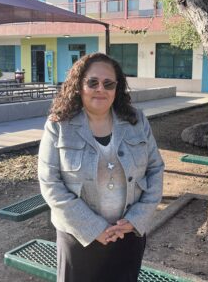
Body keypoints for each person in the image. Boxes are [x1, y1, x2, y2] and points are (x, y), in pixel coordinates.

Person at [38, 52, 164, 282]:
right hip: (78, 237)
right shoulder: (58, 126)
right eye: (92, 82)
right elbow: (50, 183)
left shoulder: (137, 121)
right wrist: (93, 227)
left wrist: (135, 220)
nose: (100, 89)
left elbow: (155, 169)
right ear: (79, 85)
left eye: (108, 83)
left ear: (117, 88)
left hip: (128, 234)